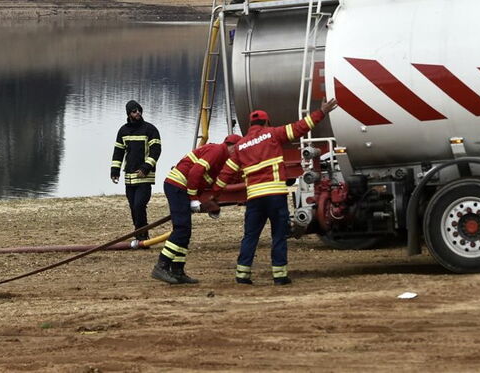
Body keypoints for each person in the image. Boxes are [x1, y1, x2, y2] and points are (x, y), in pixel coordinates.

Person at [212, 99, 338, 285]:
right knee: (278, 235)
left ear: (249, 125)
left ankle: (242, 275)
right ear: (267, 122)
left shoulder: (240, 146)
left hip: (254, 198)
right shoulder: (273, 134)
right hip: (275, 196)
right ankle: (279, 276)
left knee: (250, 236)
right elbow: (300, 127)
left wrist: (214, 195)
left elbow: (226, 173)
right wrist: (321, 112)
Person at [150, 134, 241, 285]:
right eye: (237, 151)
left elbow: (207, 181)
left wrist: (209, 204)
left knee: (185, 232)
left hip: (181, 189)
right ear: (231, 146)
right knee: (181, 230)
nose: (237, 155)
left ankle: (177, 270)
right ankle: (161, 266)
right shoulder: (218, 150)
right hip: (177, 186)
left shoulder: (223, 158)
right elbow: (195, 172)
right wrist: (193, 199)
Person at [110, 100, 161, 243]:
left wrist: (146, 167)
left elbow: (156, 151)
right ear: (129, 114)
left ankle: (142, 235)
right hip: (129, 178)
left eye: (139, 110)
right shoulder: (123, 131)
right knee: (133, 207)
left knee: (139, 205)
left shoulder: (150, 129)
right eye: (134, 111)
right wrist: (115, 171)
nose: (137, 113)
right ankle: (139, 234)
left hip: (144, 177)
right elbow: (118, 152)